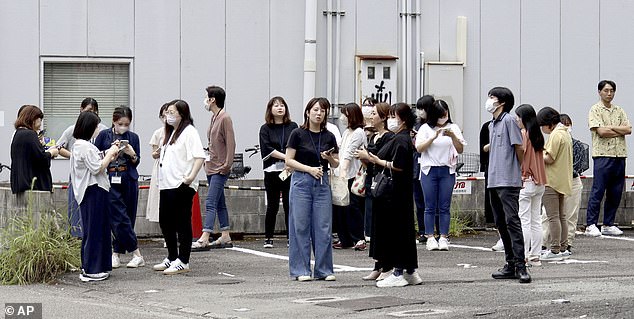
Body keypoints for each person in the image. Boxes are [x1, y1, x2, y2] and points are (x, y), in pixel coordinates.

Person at [356, 103, 421, 287]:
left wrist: (378, 161)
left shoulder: (400, 139)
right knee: (405, 231)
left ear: (403, 119)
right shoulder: (403, 137)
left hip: (396, 193)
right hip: (401, 192)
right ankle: (410, 271)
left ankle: (399, 271)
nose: (391, 119)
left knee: (399, 231)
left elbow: (399, 165)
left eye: (394, 116)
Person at [285, 97, 339, 281]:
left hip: (322, 182)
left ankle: (324, 270)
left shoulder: (329, 136)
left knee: (323, 227)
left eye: (322, 111)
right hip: (301, 181)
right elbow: (288, 160)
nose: (319, 113)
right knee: (300, 226)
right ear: (308, 112)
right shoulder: (297, 134)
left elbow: (336, 162)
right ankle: (301, 270)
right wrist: (309, 169)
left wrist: (329, 158)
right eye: (315, 110)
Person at [153, 100, 205, 274]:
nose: (168, 116)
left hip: (181, 184)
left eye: (172, 112)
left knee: (182, 222)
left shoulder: (189, 131)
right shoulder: (170, 133)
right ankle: (172, 257)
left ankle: (183, 259)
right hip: (167, 184)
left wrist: (190, 178)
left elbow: (199, 156)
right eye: (167, 112)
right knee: (165, 221)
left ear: (182, 114)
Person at [485, 87, 531, 284]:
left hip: (508, 179)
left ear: (502, 102)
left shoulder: (509, 120)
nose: (489, 101)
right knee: (500, 222)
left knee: (512, 221)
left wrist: (519, 168)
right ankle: (510, 263)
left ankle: (521, 265)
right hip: (494, 179)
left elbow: (519, 147)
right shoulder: (491, 125)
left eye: (492, 97)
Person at [70, 111, 120, 282]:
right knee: (96, 230)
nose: (98, 128)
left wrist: (109, 153)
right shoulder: (84, 145)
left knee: (95, 229)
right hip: (94, 191)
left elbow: (95, 161)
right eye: (96, 125)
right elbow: (97, 167)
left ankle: (95, 266)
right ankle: (92, 270)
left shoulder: (79, 144)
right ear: (89, 127)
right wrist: (111, 151)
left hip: (90, 191)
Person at [94, 106, 145, 268]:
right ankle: (136, 253)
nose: (123, 127)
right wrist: (111, 151)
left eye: (127, 124)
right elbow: (96, 156)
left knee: (128, 216)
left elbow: (137, 162)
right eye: (120, 123)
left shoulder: (133, 137)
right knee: (118, 216)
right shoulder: (104, 135)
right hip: (110, 178)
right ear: (114, 122)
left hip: (128, 178)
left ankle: (116, 253)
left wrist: (131, 153)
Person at [416, 100, 466, 251]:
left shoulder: (453, 127)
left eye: (445, 113)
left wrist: (452, 136)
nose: (444, 117)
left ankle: (443, 237)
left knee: (444, 206)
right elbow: (419, 148)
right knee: (429, 205)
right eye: (440, 115)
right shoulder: (425, 128)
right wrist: (432, 138)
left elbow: (460, 149)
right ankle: (430, 236)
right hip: (429, 170)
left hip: (447, 170)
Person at [584, 80, 631, 237]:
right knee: (598, 190)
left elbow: (629, 129)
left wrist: (611, 128)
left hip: (619, 155)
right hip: (603, 155)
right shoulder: (595, 110)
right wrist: (619, 130)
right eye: (606, 90)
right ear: (599, 92)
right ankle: (591, 223)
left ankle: (608, 223)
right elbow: (601, 132)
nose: (609, 93)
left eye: (611, 91)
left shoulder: (619, 110)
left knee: (616, 191)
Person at [192, 86, 236, 250]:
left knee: (210, 201)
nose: (205, 100)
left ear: (213, 100)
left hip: (220, 168)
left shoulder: (225, 118)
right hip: (211, 166)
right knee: (219, 202)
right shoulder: (214, 117)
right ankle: (225, 235)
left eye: (207, 97)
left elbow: (231, 142)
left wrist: (227, 164)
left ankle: (205, 236)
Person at [57, 98, 108, 237]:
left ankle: (88, 236)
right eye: (87, 111)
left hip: (95, 177)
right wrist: (75, 156)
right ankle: (76, 234)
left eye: (93, 111)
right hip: (80, 173)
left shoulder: (103, 130)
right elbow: (59, 147)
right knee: (76, 204)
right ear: (81, 109)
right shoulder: (73, 131)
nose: (91, 114)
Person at [357, 102, 394, 281]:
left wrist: (368, 157)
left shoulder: (389, 137)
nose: (371, 116)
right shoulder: (373, 136)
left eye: (374, 113)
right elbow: (369, 162)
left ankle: (387, 265)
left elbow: (382, 159)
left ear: (383, 117)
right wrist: (364, 158)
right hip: (372, 181)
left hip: (385, 184)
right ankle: (377, 265)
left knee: (384, 226)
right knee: (374, 226)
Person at [542, 114, 588, 253]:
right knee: (552, 215)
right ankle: (545, 242)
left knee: (567, 215)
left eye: (568, 124)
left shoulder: (571, 142)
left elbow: (551, 159)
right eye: (564, 123)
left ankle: (563, 245)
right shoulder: (560, 138)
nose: (566, 126)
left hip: (570, 180)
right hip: (561, 180)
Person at [258, 96, 298, 248]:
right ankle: (268, 237)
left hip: (289, 170)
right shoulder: (265, 128)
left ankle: (291, 237)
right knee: (272, 205)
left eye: (282, 105)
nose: (280, 108)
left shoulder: (293, 126)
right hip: (272, 170)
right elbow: (267, 149)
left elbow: (297, 145)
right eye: (276, 105)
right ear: (270, 109)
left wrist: (290, 162)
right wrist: (288, 158)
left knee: (289, 204)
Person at [537, 107, 573, 261]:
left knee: (553, 217)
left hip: (551, 180)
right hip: (563, 179)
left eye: (542, 125)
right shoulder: (565, 133)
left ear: (549, 124)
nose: (542, 129)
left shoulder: (555, 135)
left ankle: (555, 249)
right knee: (561, 216)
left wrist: (537, 154)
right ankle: (563, 247)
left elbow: (549, 158)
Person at [514, 104, 547, 266]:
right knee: (536, 220)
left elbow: (521, 155)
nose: (516, 120)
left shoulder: (523, 134)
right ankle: (535, 256)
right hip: (540, 182)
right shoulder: (538, 135)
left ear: (524, 118)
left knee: (524, 220)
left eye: (518, 117)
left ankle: (524, 256)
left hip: (526, 181)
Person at [332, 103, 367, 250]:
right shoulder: (347, 132)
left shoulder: (359, 132)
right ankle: (345, 238)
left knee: (353, 208)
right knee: (341, 207)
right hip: (342, 174)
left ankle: (359, 238)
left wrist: (343, 171)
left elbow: (349, 153)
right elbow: (341, 150)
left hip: (351, 175)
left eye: (345, 114)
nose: (342, 117)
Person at [10, 105, 59, 206]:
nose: (40, 125)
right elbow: (42, 159)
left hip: (21, 184)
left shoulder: (18, 134)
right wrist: (52, 153)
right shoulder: (30, 134)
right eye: (39, 120)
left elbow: (31, 156)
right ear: (33, 119)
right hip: (34, 186)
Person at [413, 95, 434, 243]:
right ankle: (423, 231)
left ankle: (434, 231)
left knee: (432, 201)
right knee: (419, 201)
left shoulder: (436, 126)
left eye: (423, 108)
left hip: (430, 165)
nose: (420, 112)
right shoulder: (416, 125)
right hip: (416, 166)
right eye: (418, 108)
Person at [146, 103, 169, 223]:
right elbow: (153, 154)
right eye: (163, 116)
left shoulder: (179, 132)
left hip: (174, 168)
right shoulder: (158, 133)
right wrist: (160, 151)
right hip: (160, 167)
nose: (166, 119)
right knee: (159, 198)